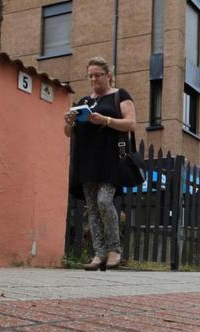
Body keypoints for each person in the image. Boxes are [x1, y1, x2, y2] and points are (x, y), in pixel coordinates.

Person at [64, 57, 137, 271]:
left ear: (108, 75)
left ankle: (114, 249)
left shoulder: (120, 95)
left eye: (98, 74)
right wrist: (68, 123)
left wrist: (105, 120)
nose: (94, 78)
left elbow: (131, 123)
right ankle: (99, 253)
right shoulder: (84, 101)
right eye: (91, 75)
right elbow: (69, 133)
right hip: (86, 161)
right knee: (93, 208)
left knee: (105, 201)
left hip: (111, 159)